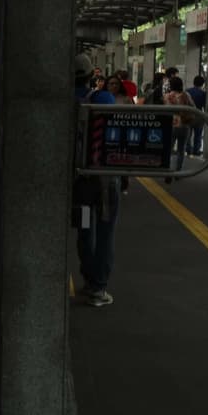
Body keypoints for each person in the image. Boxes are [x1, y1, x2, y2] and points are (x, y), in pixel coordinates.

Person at [73, 73, 118, 308]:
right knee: (105, 232)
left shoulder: (63, 99)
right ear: (91, 77)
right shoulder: (104, 98)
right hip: (103, 179)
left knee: (85, 229)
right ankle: (99, 288)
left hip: (79, 181)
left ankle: (89, 279)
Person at [164, 76, 191, 182]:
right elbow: (193, 107)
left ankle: (168, 171)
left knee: (169, 150)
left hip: (171, 125)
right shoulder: (186, 95)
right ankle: (178, 172)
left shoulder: (167, 96)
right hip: (184, 124)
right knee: (181, 149)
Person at [186, 75, 207, 156]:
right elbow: (204, 106)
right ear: (203, 84)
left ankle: (188, 149)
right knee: (198, 135)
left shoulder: (187, 91)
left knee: (188, 134)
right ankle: (196, 150)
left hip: (188, 115)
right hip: (199, 116)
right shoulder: (203, 93)